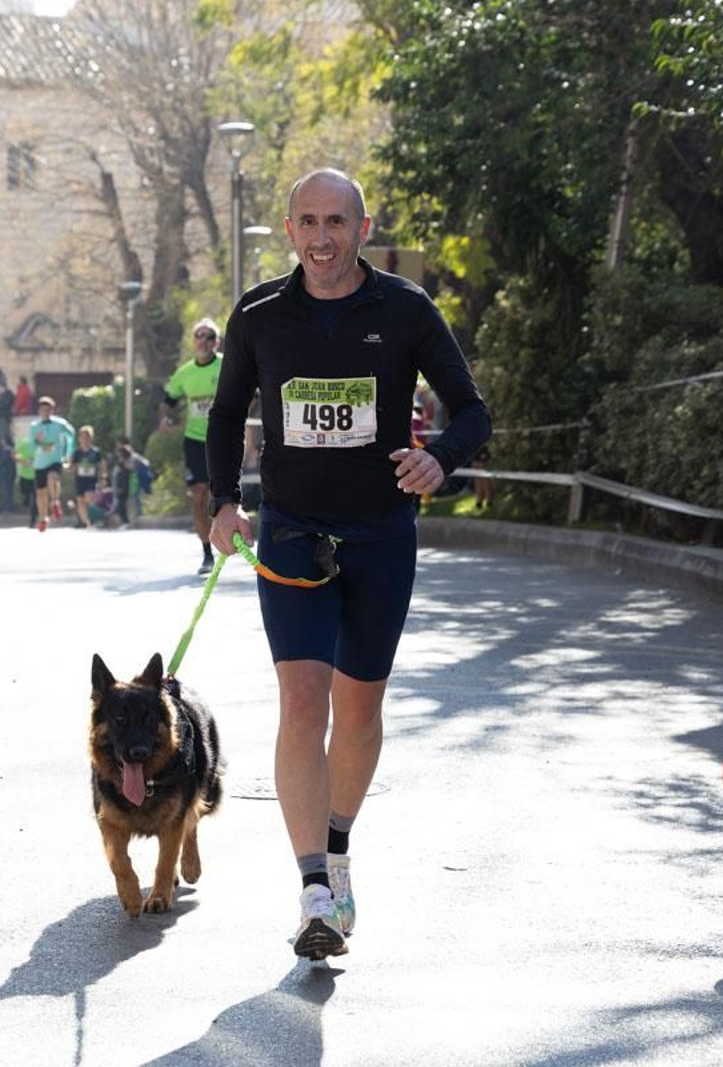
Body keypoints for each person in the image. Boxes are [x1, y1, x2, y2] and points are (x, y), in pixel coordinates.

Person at [205, 168, 492, 960]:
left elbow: (472, 410)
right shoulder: (259, 313)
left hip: (380, 532)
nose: (321, 237)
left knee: (358, 709)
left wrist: (441, 459)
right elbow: (226, 413)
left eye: (336, 221)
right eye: (307, 221)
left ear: (363, 230)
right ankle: (313, 892)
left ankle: (336, 844)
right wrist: (225, 501)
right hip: (292, 531)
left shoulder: (405, 308)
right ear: (289, 231)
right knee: (302, 705)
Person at [161, 317, 225, 571]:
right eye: (199, 336)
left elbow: (252, 394)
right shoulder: (185, 372)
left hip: (223, 438)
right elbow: (168, 400)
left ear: (216, 342)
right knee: (198, 495)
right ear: (193, 341)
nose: (203, 341)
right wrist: (165, 418)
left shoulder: (226, 366)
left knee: (219, 493)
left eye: (209, 337)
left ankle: (225, 537)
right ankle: (207, 552)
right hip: (195, 440)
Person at [29, 395, 75, 533]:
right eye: (43, 409)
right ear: (39, 411)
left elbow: (71, 435)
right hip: (40, 463)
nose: (45, 412)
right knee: (41, 493)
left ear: (52, 410)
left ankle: (55, 502)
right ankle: (43, 518)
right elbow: (31, 447)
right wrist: (37, 441)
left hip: (55, 460)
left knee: (52, 477)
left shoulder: (60, 424)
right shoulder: (34, 426)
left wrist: (68, 453)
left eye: (48, 409)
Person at [72, 424, 102, 529]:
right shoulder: (77, 452)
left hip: (91, 479)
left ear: (91, 438)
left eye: (87, 437)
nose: (84, 439)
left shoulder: (95, 452)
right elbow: (72, 465)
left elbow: (101, 465)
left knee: (88, 499)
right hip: (80, 479)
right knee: (80, 500)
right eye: (82, 437)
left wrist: (103, 476)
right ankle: (85, 522)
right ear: (79, 438)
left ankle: (94, 517)